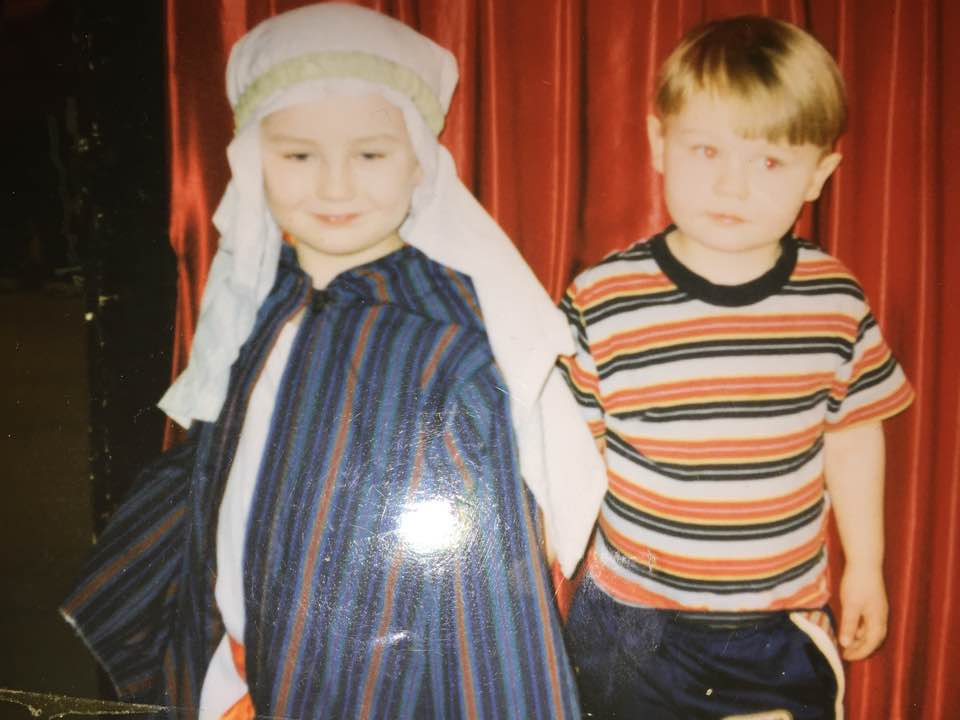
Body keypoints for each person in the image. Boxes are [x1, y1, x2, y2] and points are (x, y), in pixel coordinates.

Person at [61, 4, 607, 718]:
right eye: (298, 154)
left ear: (419, 162)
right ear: (253, 159)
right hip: (229, 678)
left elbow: (491, 597)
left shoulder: (445, 349)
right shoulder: (264, 302)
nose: (335, 185)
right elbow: (218, 471)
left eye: (370, 153)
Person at [558, 15, 914, 719]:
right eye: (706, 150)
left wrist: (866, 567)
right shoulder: (601, 297)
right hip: (634, 623)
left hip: (777, 624)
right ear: (660, 144)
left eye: (770, 162)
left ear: (821, 174)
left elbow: (851, 438)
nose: (733, 186)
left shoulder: (834, 300)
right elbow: (568, 457)